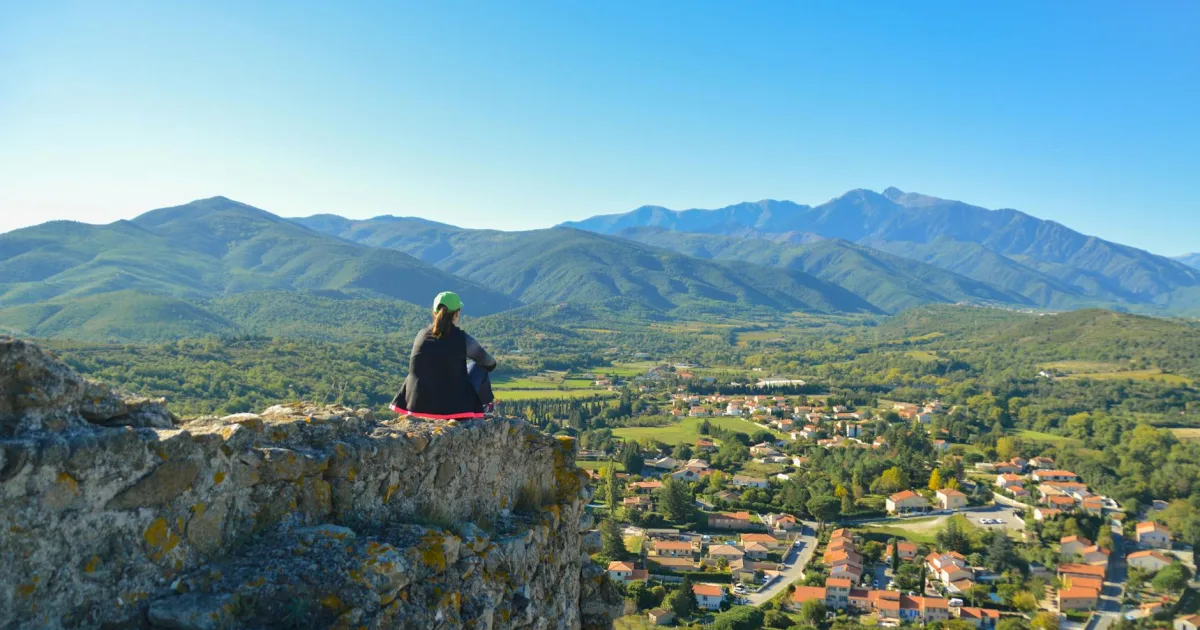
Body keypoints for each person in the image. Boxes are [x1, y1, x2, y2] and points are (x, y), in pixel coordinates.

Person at [390, 291, 497, 420]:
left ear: (434, 312)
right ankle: (485, 408)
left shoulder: (421, 335)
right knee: (477, 366)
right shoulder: (463, 339)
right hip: (454, 408)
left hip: (416, 406)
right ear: (457, 313)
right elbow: (489, 363)